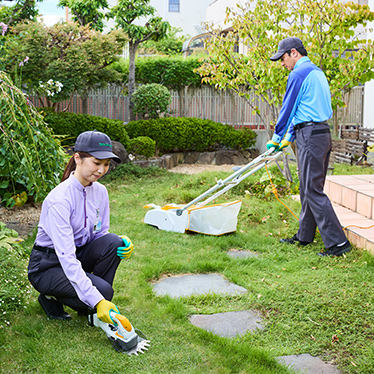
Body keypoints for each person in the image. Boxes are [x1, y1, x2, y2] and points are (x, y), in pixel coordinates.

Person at [28, 130, 133, 322]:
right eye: (96, 162)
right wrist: (98, 299)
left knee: (114, 243)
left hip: (77, 253)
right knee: (103, 292)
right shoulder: (59, 200)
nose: (101, 170)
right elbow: (66, 257)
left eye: (106, 164)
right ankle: (53, 297)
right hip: (47, 266)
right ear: (78, 158)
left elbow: (100, 233)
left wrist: (121, 241)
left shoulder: (100, 192)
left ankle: (90, 309)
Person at [266, 37, 350, 257]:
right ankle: (304, 235)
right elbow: (305, 107)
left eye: (283, 58)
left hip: (311, 136)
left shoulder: (298, 74)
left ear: (294, 53)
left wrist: (277, 136)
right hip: (319, 133)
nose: (282, 64)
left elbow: (288, 107)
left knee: (312, 189)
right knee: (307, 187)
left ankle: (338, 243)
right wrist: (291, 135)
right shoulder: (317, 72)